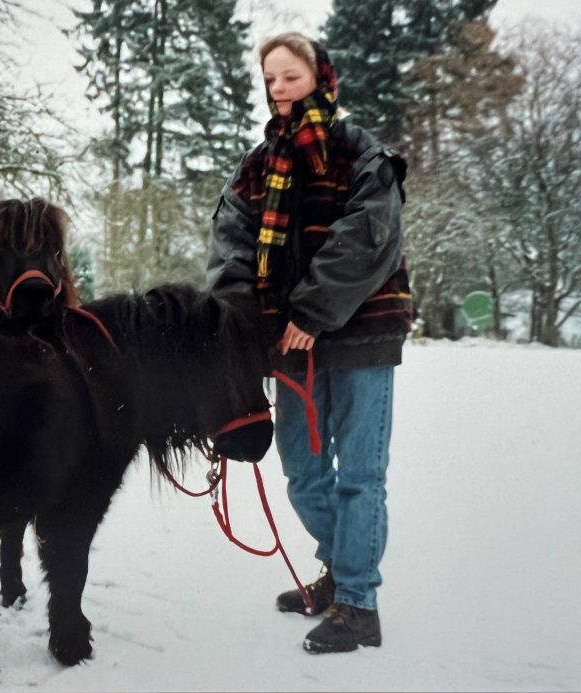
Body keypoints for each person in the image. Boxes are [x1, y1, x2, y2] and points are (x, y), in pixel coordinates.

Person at [207, 32, 413, 654]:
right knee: (302, 472)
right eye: (270, 79)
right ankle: (339, 568)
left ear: (322, 79)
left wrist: (314, 309)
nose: (278, 88)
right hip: (291, 343)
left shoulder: (362, 155)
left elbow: (370, 238)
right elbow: (230, 246)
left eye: (289, 76)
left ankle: (358, 602)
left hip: (364, 334)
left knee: (361, 476)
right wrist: (246, 319)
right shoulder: (256, 165)